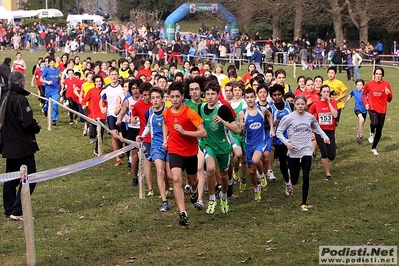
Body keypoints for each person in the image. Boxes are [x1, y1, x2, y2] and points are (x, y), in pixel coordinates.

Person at [162, 82, 207, 226]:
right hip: (174, 150)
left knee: (193, 180)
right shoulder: (166, 112)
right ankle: (183, 213)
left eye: (177, 97)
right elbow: (165, 123)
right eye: (172, 97)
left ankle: (194, 190)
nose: (174, 100)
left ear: (182, 96)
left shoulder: (189, 113)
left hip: (190, 151)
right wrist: (165, 139)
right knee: (176, 178)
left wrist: (185, 132)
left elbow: (203, 132)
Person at [276, 95, 330, 212]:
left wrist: (325, 137)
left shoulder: (309, 117)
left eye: (302, 104)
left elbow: (317, 128)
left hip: (306, 149)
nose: (300, 106)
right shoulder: (289, 118)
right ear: (294, 105)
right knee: (294, 180)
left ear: (305, 105)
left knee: (306, 176)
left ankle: (304, 203)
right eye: (298, 104)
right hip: (294, 150)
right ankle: (290, 178)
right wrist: (287, 143)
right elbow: (279, 132)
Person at [0, 71, 41, 221]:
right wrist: (36, 126)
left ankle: (10, 209)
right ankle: (17, 210)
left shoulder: (6, 97)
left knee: (11, 178)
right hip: (21, 147)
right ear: (21, 82)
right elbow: (27, 123)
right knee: (30, 177)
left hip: (10, 146)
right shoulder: (20, 100)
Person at [198, 80, 240, 215]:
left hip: (223, 146)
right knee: (210, 169)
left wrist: (222, 121)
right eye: (208, 94)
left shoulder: (223, 109)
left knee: (223, 175)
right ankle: (211, 199)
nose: (210, 97)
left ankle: (223, 196)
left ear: (218, 95)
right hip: (208, 144)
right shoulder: (202, 107)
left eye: (213, 94)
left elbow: (236, 129)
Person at [238, 88, 274, 201]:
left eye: (251, 97)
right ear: (244, 99)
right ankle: (256, 189)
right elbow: (241, 132)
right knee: (252, 170)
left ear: (255, 97)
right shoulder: (242, 113)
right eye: (247, 97)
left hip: (261, 142)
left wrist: (272, 129)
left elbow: (269, 115)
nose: (250, 99)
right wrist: (242, 128)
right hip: (249, 144)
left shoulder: (262, 110)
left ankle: (262, 175)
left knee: (255, 160)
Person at [309, 85, 338, 181]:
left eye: (328, 92)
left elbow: (335, 115)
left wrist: (329, 102)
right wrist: (311, 130)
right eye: (324, 92)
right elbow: (308, 117)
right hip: (320, 131)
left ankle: (328, 166)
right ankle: (328, 174)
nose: (326, 94)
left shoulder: (333, 102)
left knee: (332, 156)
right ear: (320, 93)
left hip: (330, 131)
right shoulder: (316, 103)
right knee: (324, 153)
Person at [362, 67, 393, 155]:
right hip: (372, 108)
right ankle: (371, 132)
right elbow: (364, 94)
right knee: (374, 123)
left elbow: (390, 99)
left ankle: (374, 147)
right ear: (374, 75)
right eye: (377, 74)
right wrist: (366, 103)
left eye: (380, 74)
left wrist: (389, 94)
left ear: (382, 75)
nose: (378, 76)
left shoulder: (387, 84)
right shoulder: (369, 84)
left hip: (382, 109)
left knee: (379, 130)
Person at [100, 67, 125, 166]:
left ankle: (121, 149)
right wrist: (102, 107)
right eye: (112, 74)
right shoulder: (106, 89)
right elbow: (101, 100)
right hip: (111, 114)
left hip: (122, 115)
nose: (114, 77)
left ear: (118, 75)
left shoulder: (122, 88)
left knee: (122, 138)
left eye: (116, 74)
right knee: (114, 136)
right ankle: (117, 157)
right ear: (109, 76)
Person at [344, 79, 367, 144]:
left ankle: (358, 135)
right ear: (356, 86)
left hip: (364, 110)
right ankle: (361, 133)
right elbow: (350, 96)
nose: (359, 86)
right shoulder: (354, 91)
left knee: (361, 123)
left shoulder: (365, 92)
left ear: (363, 86)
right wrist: (345, 103)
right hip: (357, 109)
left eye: (360, 85)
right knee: (361, 119)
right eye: (358, 85)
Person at [40, 57, 61, 125]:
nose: (52, 64)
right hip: (48, 90)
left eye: (53, 63)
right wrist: (47, 82)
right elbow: (41, 79)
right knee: (47, 104)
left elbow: (60, 78)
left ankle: (54, 119)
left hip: (55, 90)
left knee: (55, 104)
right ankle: (45, 109)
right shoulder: (46, 70)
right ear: (49, 63)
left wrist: (60, 87)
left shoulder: (58, 70)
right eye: (51, 63)